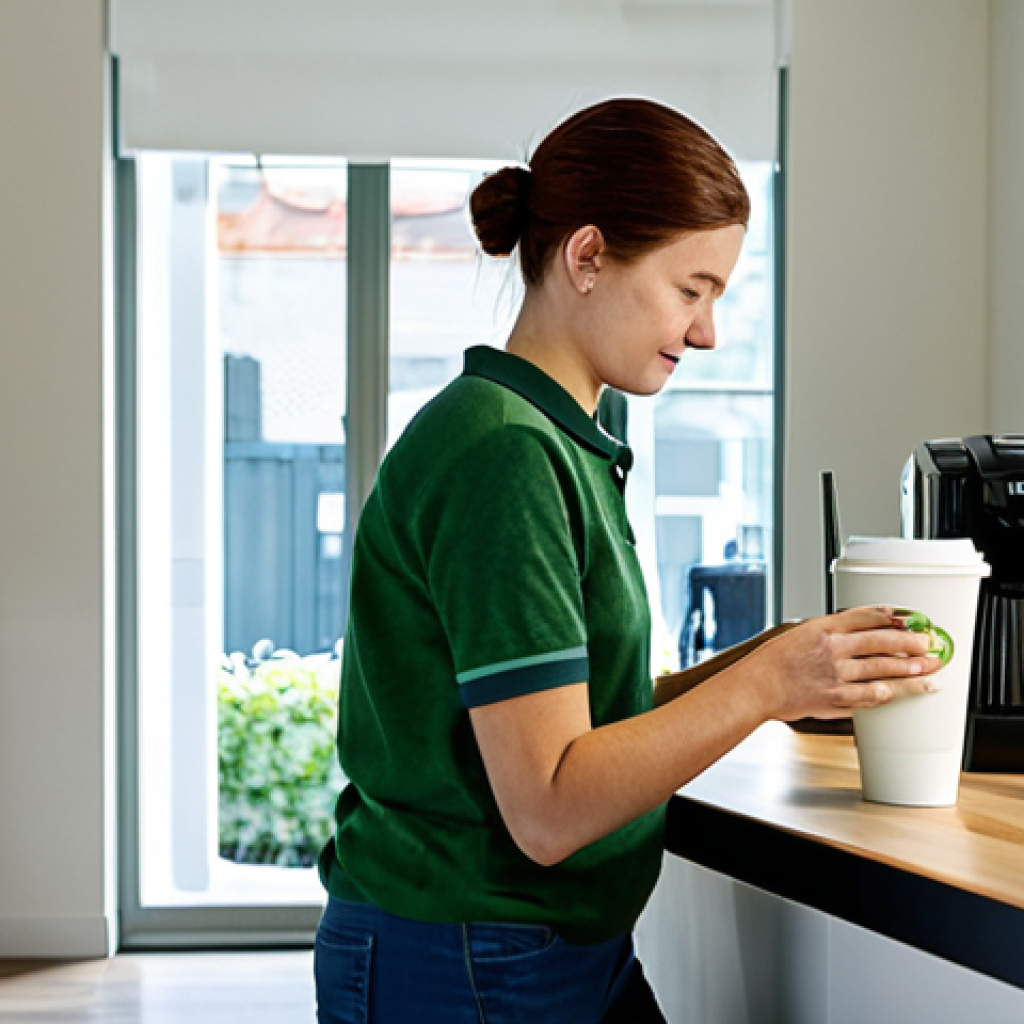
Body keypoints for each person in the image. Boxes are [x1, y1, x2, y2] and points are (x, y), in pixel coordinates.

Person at [313, 98, 940, 1024]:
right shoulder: (503, 452)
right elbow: (552, 806)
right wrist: (766, 684)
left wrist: (781, 660)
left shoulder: (552, 438)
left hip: (539, 946)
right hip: (469, 954)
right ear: (588, 256)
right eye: (692, 290)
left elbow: (588, 722)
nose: (707, 332)